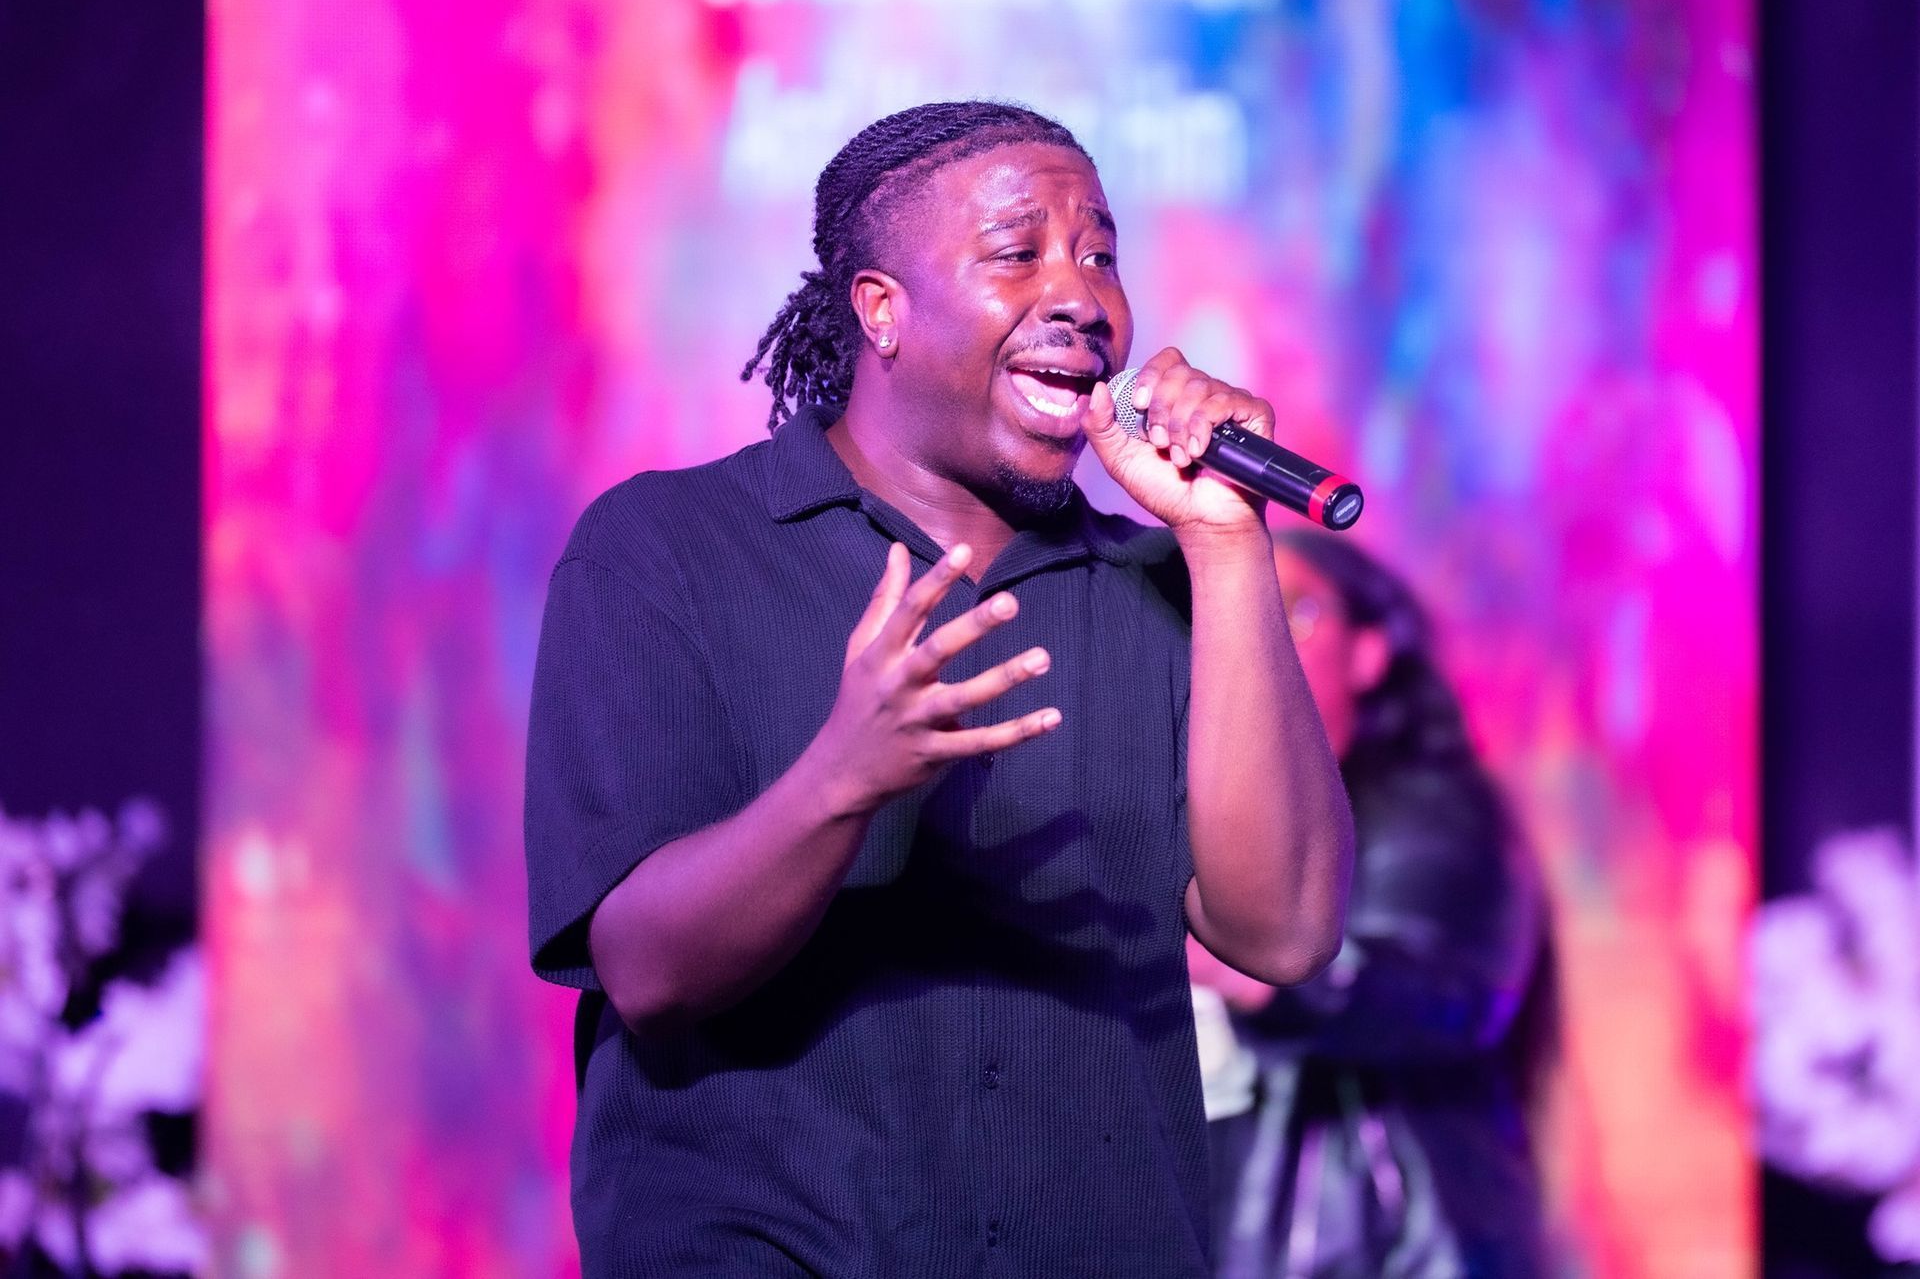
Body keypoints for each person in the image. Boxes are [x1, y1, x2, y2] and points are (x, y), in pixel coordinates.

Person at [522, 101, 1355, 1277]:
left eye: (1101, 254)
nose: (1082, 296)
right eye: (1020, 253)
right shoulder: (670, 549)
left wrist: (1226, 547)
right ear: (883, 312)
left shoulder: (1160, 585)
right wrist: (841, 781)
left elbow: (1285, 929)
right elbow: (649, 974)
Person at [1188, 531, 1557, 1279]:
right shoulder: (1192, 803)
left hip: (1390, 1244)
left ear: (1368, 653)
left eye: (1292, 609)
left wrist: (1265, 972)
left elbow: (1447, 1000)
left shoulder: (1431, 809)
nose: (1257, 634)